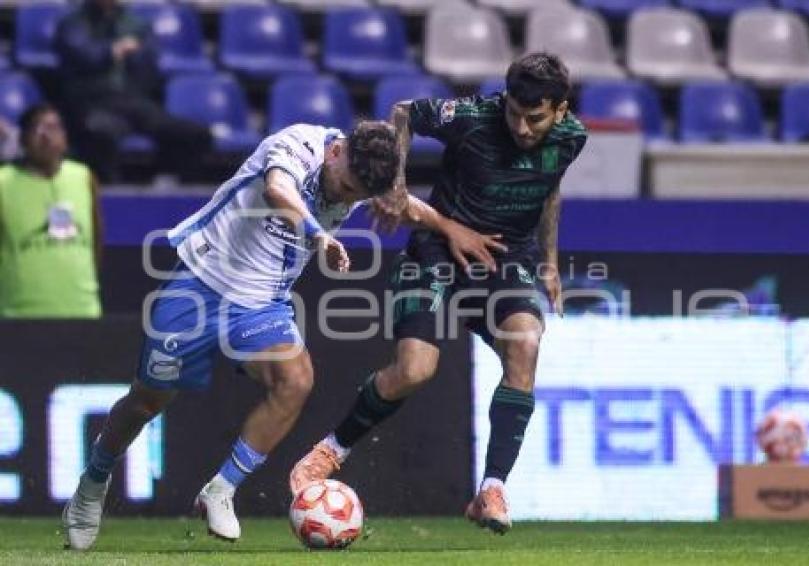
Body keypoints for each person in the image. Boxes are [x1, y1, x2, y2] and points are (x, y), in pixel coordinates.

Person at [61, 119, 505, 550]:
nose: (347, 197)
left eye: (358, 196)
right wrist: (317, 236)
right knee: (148, 400)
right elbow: (278, 189)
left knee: (296, 380)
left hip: (261, 302)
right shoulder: (298, 144)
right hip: (202, 281)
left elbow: (403, 205)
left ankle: (221, 490)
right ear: (336, 151)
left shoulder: (363, 176)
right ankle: (94, 480)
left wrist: (449, 227)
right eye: (347, 186)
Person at [289, 52, 588, 534]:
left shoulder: (573, 137)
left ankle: (491, 488)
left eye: (534, 118)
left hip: (505, 257)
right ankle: (331, 451)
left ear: (560, 110)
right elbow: (405, 112)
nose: (522, 127)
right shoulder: (474, 118)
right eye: (513, 112)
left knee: (526, 344)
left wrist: (549, 263)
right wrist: (396, 186)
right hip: (437, 250)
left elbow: (550, 189)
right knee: (414, 369)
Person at [54, 0, 213, 183]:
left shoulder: (135, 23)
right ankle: (112, 196)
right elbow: (84, 56)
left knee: (194, 134)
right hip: (92, 102)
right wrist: (113, 50)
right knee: (99, 133)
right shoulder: (73, 23)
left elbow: (149, 60)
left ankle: (170, 190)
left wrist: (136, 55)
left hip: (133, 102)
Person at [0, 103, 102, 318]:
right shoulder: (3, 183)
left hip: (83, 312)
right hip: (19, 315)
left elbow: (96, 241)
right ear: (22, 140)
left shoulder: (83, 176)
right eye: (37, 129)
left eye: (54, 128)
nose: (46, 136)